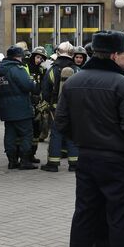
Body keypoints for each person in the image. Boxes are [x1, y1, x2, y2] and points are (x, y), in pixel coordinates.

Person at [57, 30, 124, 247]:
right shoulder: (123, 85)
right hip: (117, 162)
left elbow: (61, 122)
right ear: (112, 55)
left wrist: (83, 140)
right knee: (118, 221)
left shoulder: (75, 82)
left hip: (87, 159)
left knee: (83, 217)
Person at [0, 45, 39, 170]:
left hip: (5, 107)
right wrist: (34, 84)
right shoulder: (16, 69)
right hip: (20, 107)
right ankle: (25, 161)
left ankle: (12, 161)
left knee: (10, 134)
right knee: (26, 134)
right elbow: (27, 85)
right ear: (17, 57)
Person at [41, 41, 79, 172]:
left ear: (58, 53)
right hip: (74, 109)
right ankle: (74, 164)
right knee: (72, 134)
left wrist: (47, 104)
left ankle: (53, 164)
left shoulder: (52, 70)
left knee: (56, 134)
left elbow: (45, 91)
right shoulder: (77, 70)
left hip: (56, 108)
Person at [28, 46, 48, 163]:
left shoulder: (42, 70)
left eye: (41, 59)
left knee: (36, 130)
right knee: (26, 130)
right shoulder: (25, 68)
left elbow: (45, 89)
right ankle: (23, 154)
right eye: (38, 57)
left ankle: (32, 154)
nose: (39, 60)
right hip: (26, 103)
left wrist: (42, 108)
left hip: (37, 104)